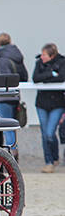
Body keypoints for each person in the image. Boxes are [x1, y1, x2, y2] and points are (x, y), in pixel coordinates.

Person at [32, 43, 65, 173]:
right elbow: (35, 78)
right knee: (44, 133)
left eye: (44, 55)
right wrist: (51, 74)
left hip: (57, 104)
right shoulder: (39, 63)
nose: (42, 57)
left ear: (52, 56)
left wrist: (45, 77)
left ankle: (55, 157)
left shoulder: (62, 62)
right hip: (42, 104)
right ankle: (49, 161)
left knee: (50, 133)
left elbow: (61, 77)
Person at [0, 33, 28, 160]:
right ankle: (15, 153)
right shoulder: (18, 56)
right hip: (15, 97)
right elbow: (24, 76)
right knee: (12, 128)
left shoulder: (2, 58)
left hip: (4, 97)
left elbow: (5, 79)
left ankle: (11, 158)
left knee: (7, 129)